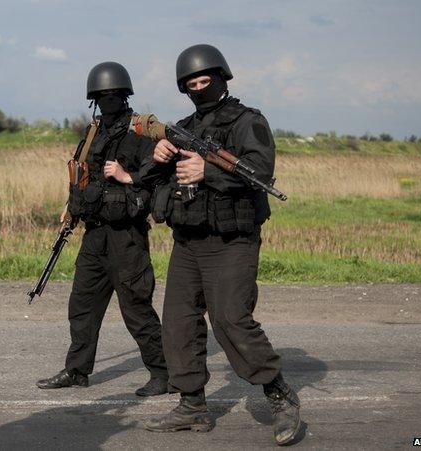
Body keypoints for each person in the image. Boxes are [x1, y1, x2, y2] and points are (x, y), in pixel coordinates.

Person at [143, 44, 300, 445]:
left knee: (231, 318)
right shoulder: (182, 127)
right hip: (189, 241)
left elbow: (260, 171)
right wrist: (159, 156)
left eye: (205, 80)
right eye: (191, 84)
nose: (199, 87)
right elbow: (150, 181)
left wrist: (207, 169)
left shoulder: (249, 121)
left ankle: (279, 395)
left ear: (222, 78)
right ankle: (192, 407)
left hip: (232, 241)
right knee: (178, 324)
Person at [36, 62, 168, 396]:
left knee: (136, 308)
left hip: (127, 236)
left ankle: (162, 372)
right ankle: (77, 370)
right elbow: (82, 172)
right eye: (102, 96)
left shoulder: (141, 135)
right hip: (95, 234)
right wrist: (73, 204)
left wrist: (127, 176)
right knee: (82, 305)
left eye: (114, 95)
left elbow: (154, 179)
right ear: (93, 99)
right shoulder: (93, 134)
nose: (108, 100)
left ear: (125, 96)